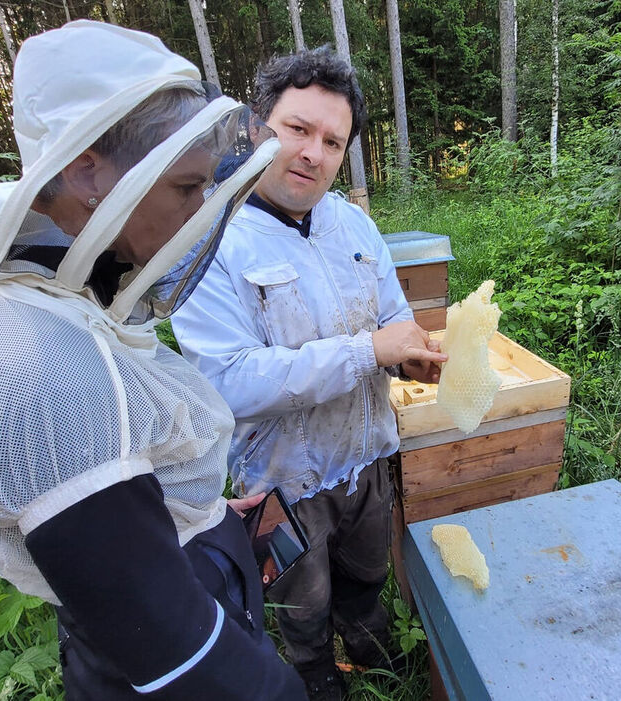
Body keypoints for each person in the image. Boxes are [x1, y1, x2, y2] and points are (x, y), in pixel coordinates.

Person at [0, 20, 307, 700]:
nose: (199, 211)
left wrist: (207, 513)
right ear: (87, 171)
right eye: (185, 187)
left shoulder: (56, 283)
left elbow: (117, 489)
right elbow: (179, 654)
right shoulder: (38, 373)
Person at [171, 47, 447, 700]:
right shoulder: (212, 240)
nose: (314, 153)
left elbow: (395, 318)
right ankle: (317, 676)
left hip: (368, 459)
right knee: (302, 602)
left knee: (364, 575)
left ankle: (370, 643)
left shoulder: (353, 223)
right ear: (258, 125)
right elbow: (229, 382)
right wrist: (369, 350)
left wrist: (413, 353)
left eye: (333, 140)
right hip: (281, 483)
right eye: (297, 129)